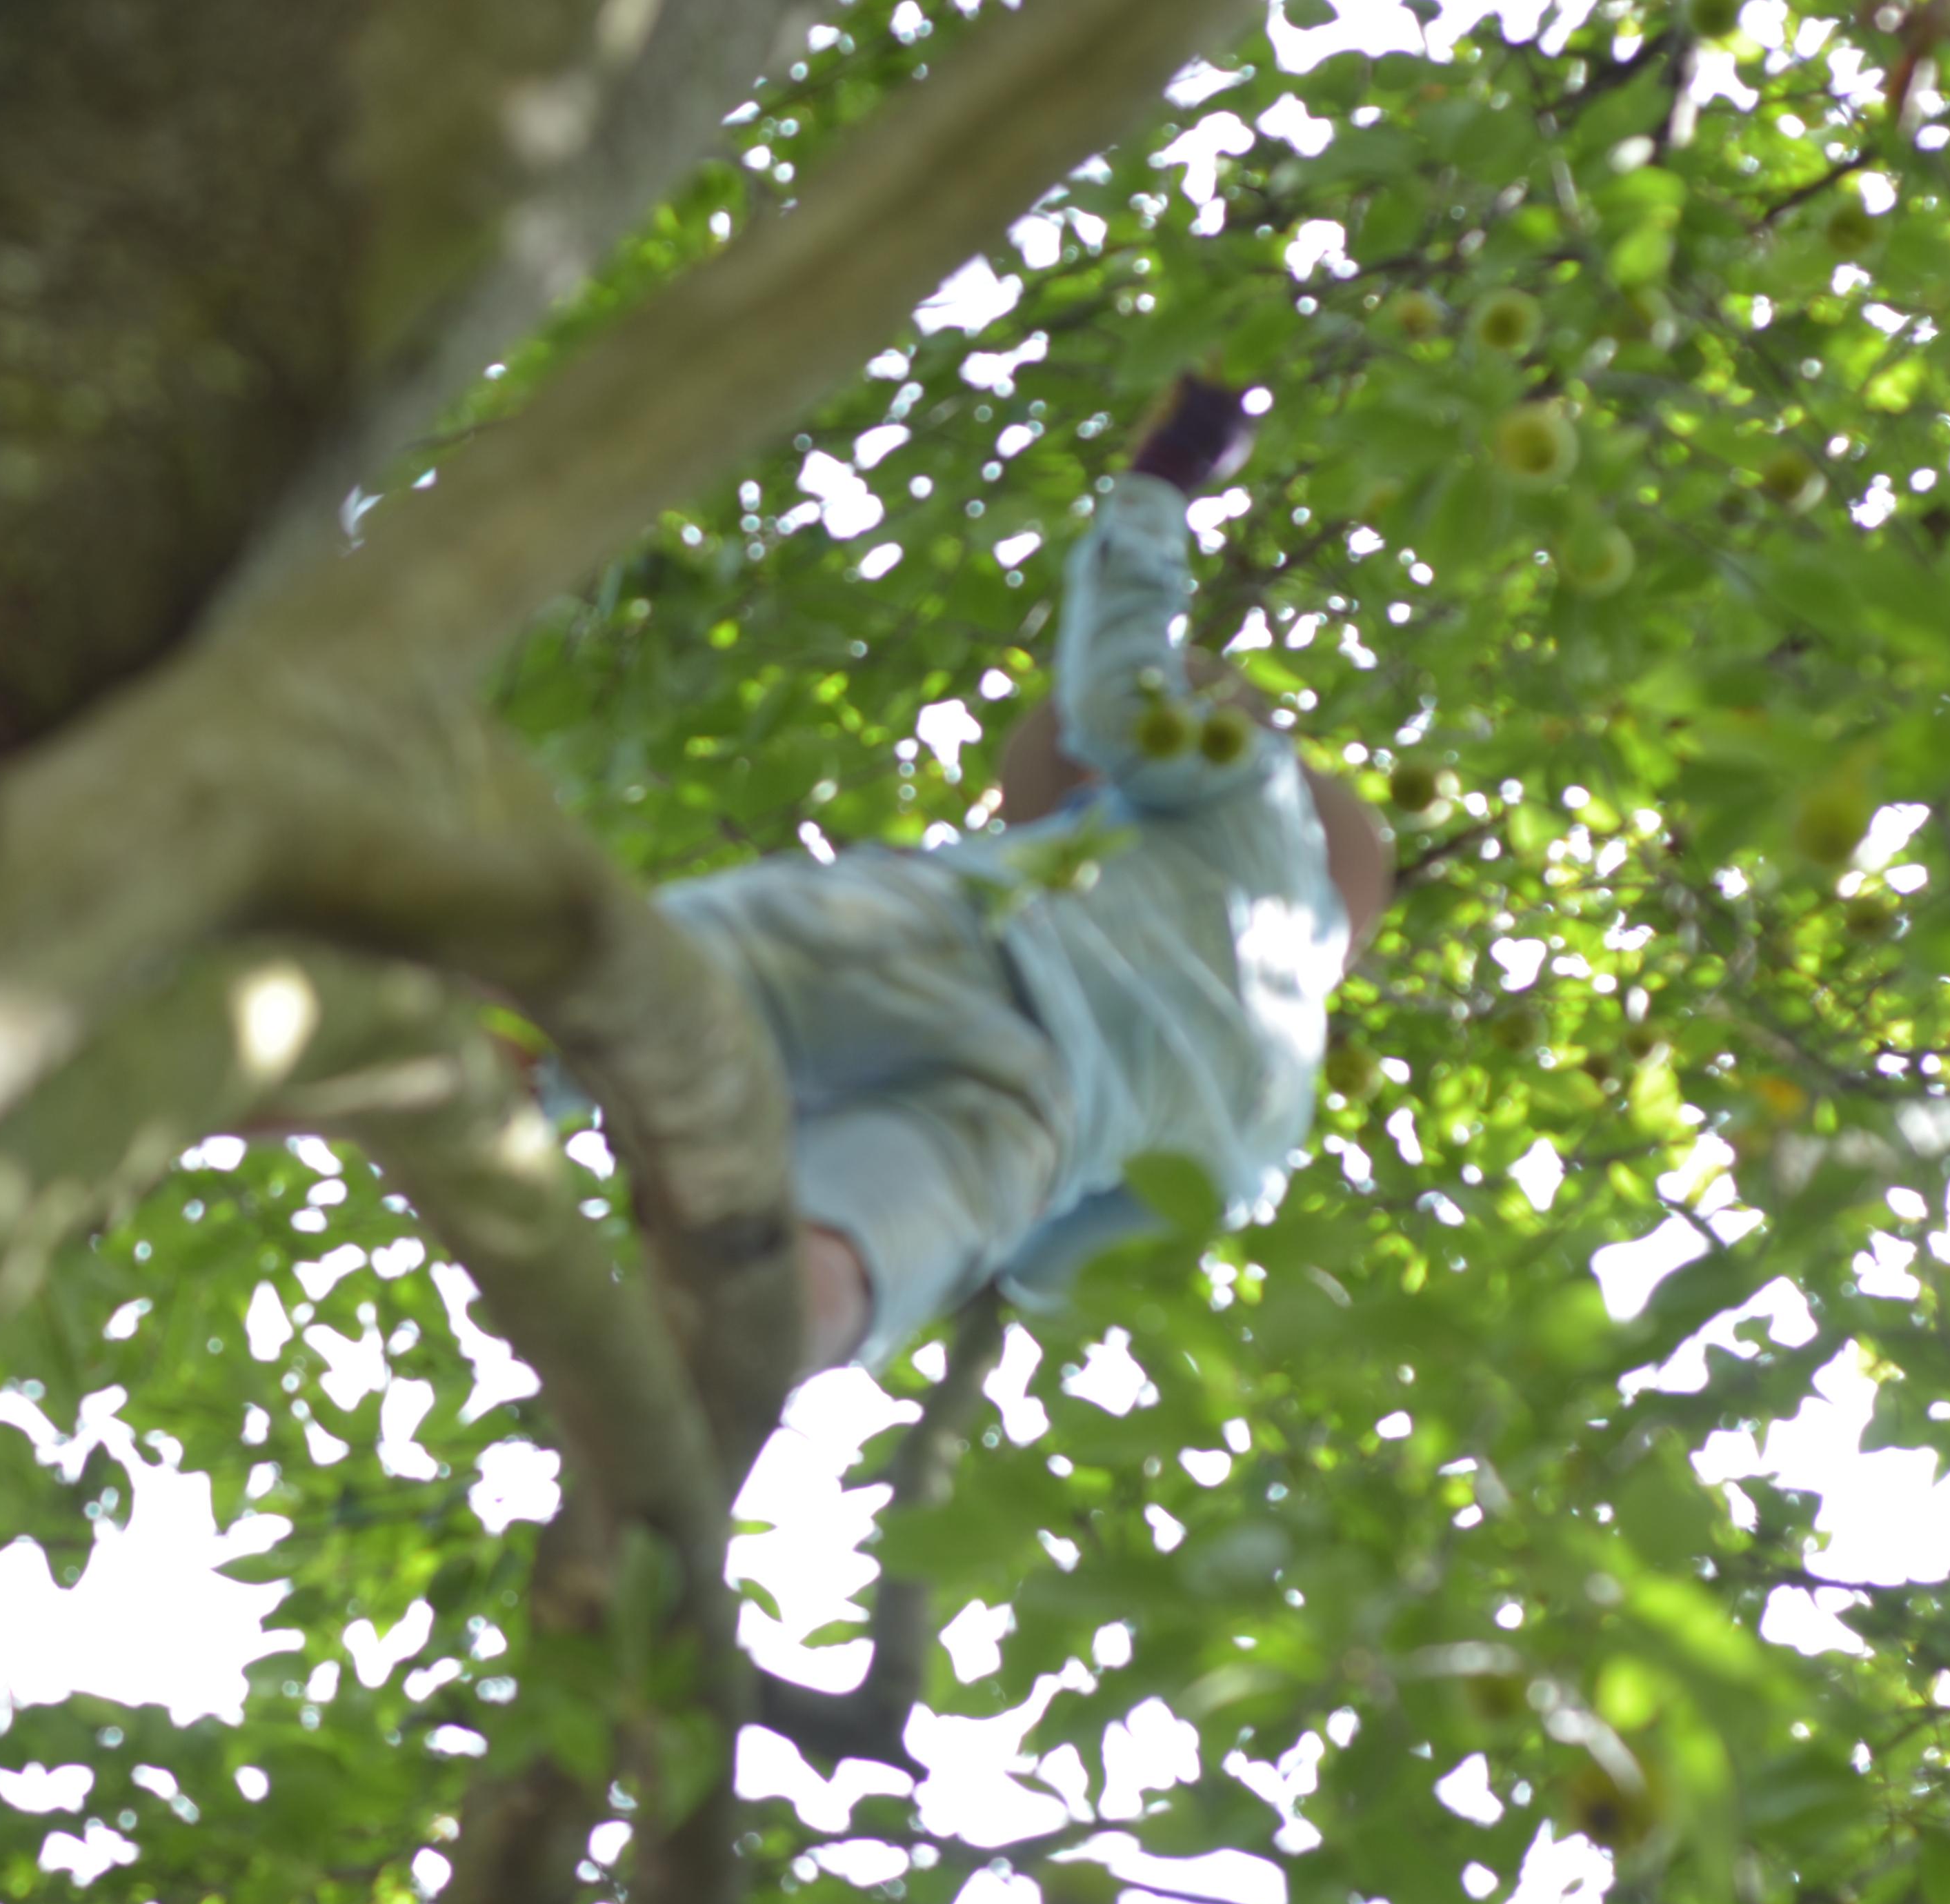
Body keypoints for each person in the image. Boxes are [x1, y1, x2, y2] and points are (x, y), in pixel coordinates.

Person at [595, 377, 1394, 1373]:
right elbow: (1052, 1268)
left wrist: (1158, 487)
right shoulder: (1273, 1118)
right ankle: (690, 1397)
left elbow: (1114, 703)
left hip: (961, 944)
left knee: (595, 977)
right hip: (1029, 1130)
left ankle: (471, 1036)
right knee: (834, 1268)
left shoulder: (1254, 791)